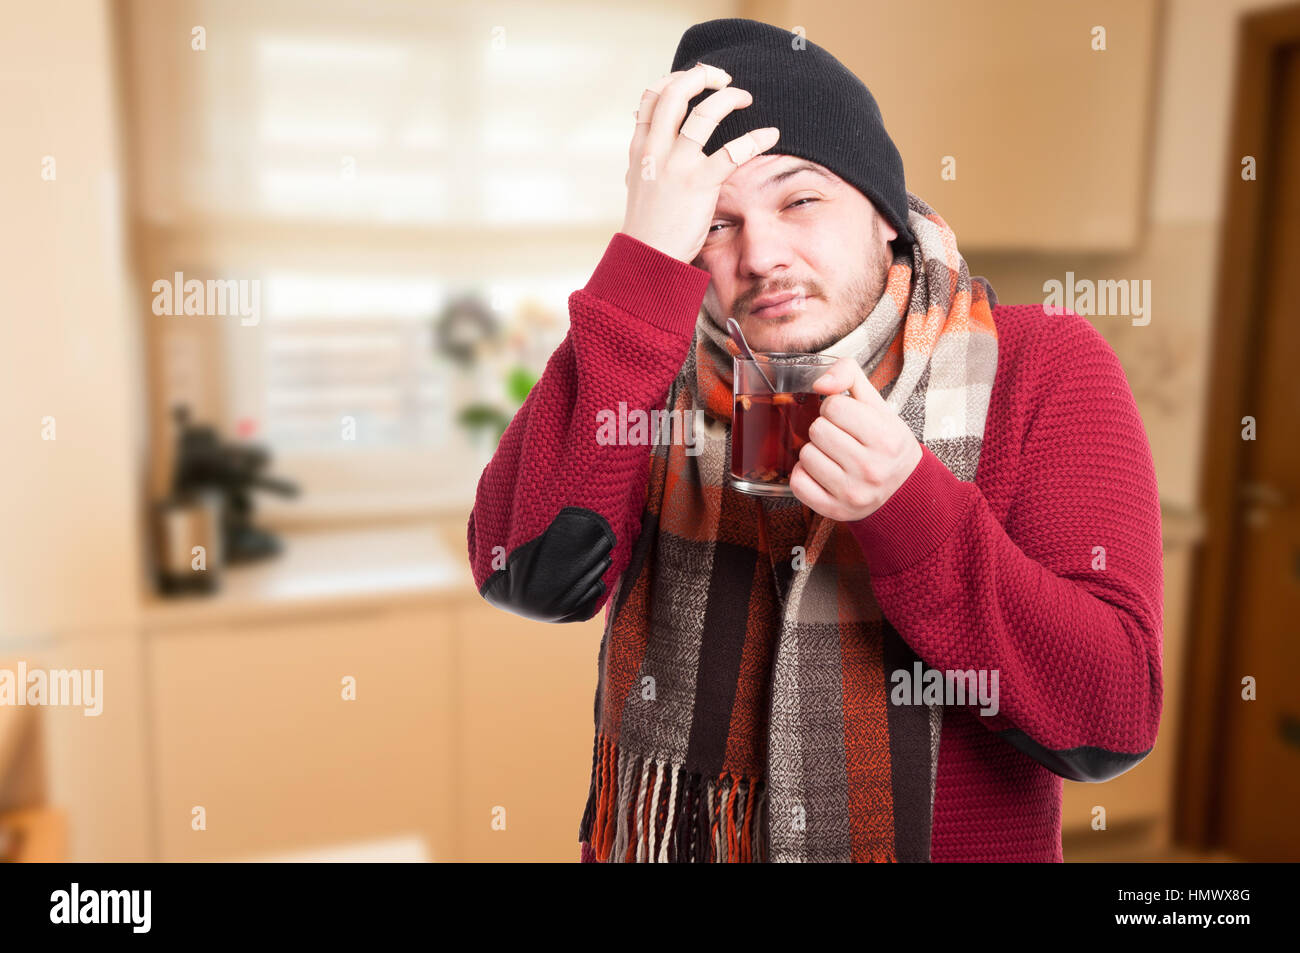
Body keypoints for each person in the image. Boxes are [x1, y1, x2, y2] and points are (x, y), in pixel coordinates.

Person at [466, 17, 1163, 862]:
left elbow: (1112, 717)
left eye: (801, 199)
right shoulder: (649, 363)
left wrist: (910, 506)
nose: (761, 254)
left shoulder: (1042, 364)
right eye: (715, 224)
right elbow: (526, 572)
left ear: (884, 214)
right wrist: (641, 255)